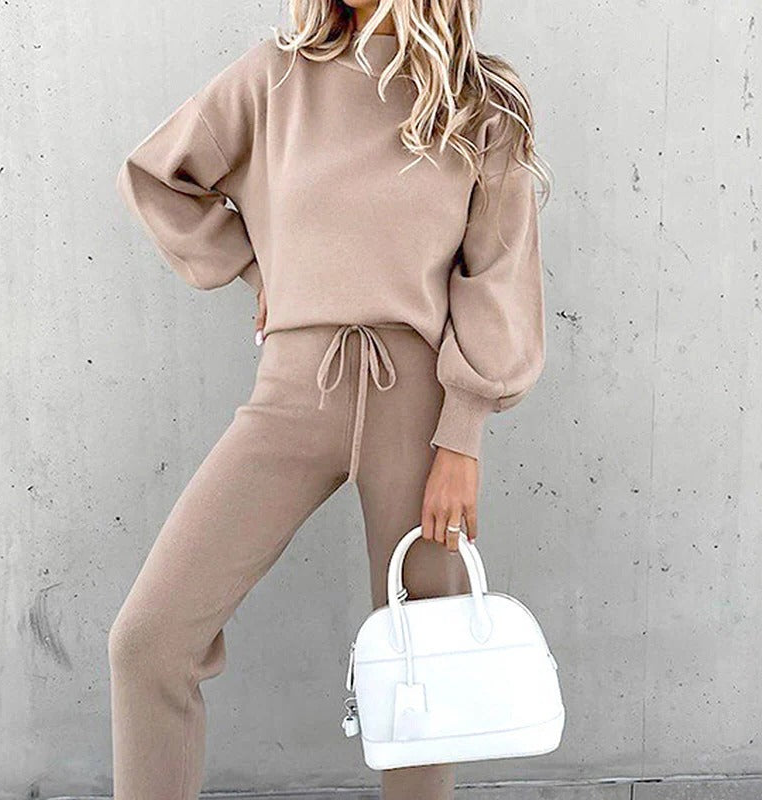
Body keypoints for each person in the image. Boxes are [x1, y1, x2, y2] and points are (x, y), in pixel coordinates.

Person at [108, 0, 549, 796]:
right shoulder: (275, 78)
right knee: (148, 642)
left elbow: (496, 277)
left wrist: (462, 437)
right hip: (292, 393)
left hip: (420, 413)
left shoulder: (479, 104)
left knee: (424, 668)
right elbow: (156, 176)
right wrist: (258, 269)